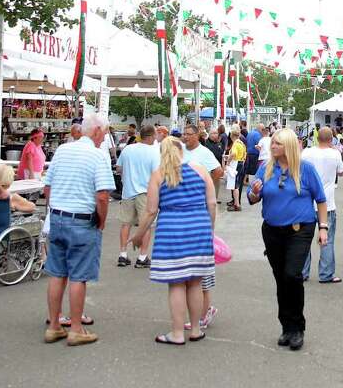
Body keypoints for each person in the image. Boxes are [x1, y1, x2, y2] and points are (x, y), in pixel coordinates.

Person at [246, 128, 328, 351]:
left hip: (300, 230)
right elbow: (253, 198)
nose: (273, 147)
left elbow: (321, 200)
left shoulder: (306, 170)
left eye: (278, 144)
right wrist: (254, 192)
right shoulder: (266, 168)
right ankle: (286, 327)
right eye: (272, 143)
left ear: (289, 146)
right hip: (272, 231)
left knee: (292, 275)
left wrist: (323, 228)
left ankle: (298, 327)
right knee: (281, 279)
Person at [131, 136, 216, 345]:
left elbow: (151, 211)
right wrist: (210, 229)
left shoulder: (159, 175)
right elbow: (212, 203)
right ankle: (195, 329)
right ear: (182, 151)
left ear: (162, 153)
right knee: (195, 282)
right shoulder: (200, 170)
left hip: (171, 231)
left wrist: (139, 235)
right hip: (199, 229)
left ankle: (177, 333)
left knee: (176, 283)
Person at [42, 112, 114, 346]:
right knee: (78, 276)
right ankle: (75, 328)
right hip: (82, 220)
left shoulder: (62, 150)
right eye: (104, 132)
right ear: (96, 131)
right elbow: (102, 195)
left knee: (57, 273)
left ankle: (54, 325)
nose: (105, 137)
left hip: (58, 217)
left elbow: (47, 188)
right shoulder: (97, 156)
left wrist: (55, 208)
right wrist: (102, 221)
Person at [180, 124, 221, 329]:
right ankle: (203, 311)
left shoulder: (203, 153)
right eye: (183, 134)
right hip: (184, 215)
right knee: (189, 269)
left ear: (197, 135)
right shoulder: (180, 151)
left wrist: (207, 188)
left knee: (200, 270)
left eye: (188, 134)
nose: (185, 137)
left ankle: (204, 313)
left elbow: (218, 171)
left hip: (199, 213)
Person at [301, 127, 343, 283]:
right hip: (327, 202)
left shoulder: (306, 153)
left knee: (304, 239)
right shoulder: (335, 154)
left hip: (307, 202)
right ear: (331, 139)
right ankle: (326, 273)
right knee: (328, 239)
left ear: (317, 138)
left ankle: (302, 272)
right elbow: (341, 172)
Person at [115, 125, 158, 268]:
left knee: (125, 223)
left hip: (128, 191)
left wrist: (127, 176)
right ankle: (142, 256)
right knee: (146, 225)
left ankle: (122, 254)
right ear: (151, 136)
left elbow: (119, 168)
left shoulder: (128, 149)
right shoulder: (154, 152)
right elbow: (157, 174)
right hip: (146, 192)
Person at [226, 126, 246, 211]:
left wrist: (228, 161)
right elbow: (245, 154)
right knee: (237, 184)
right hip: (241, 163)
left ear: (231, 136)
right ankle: (236, 203)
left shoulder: (235, 144)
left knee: (235, 186)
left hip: (235, 164)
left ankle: (236, 204)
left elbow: (233, 154)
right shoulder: (241, 144)